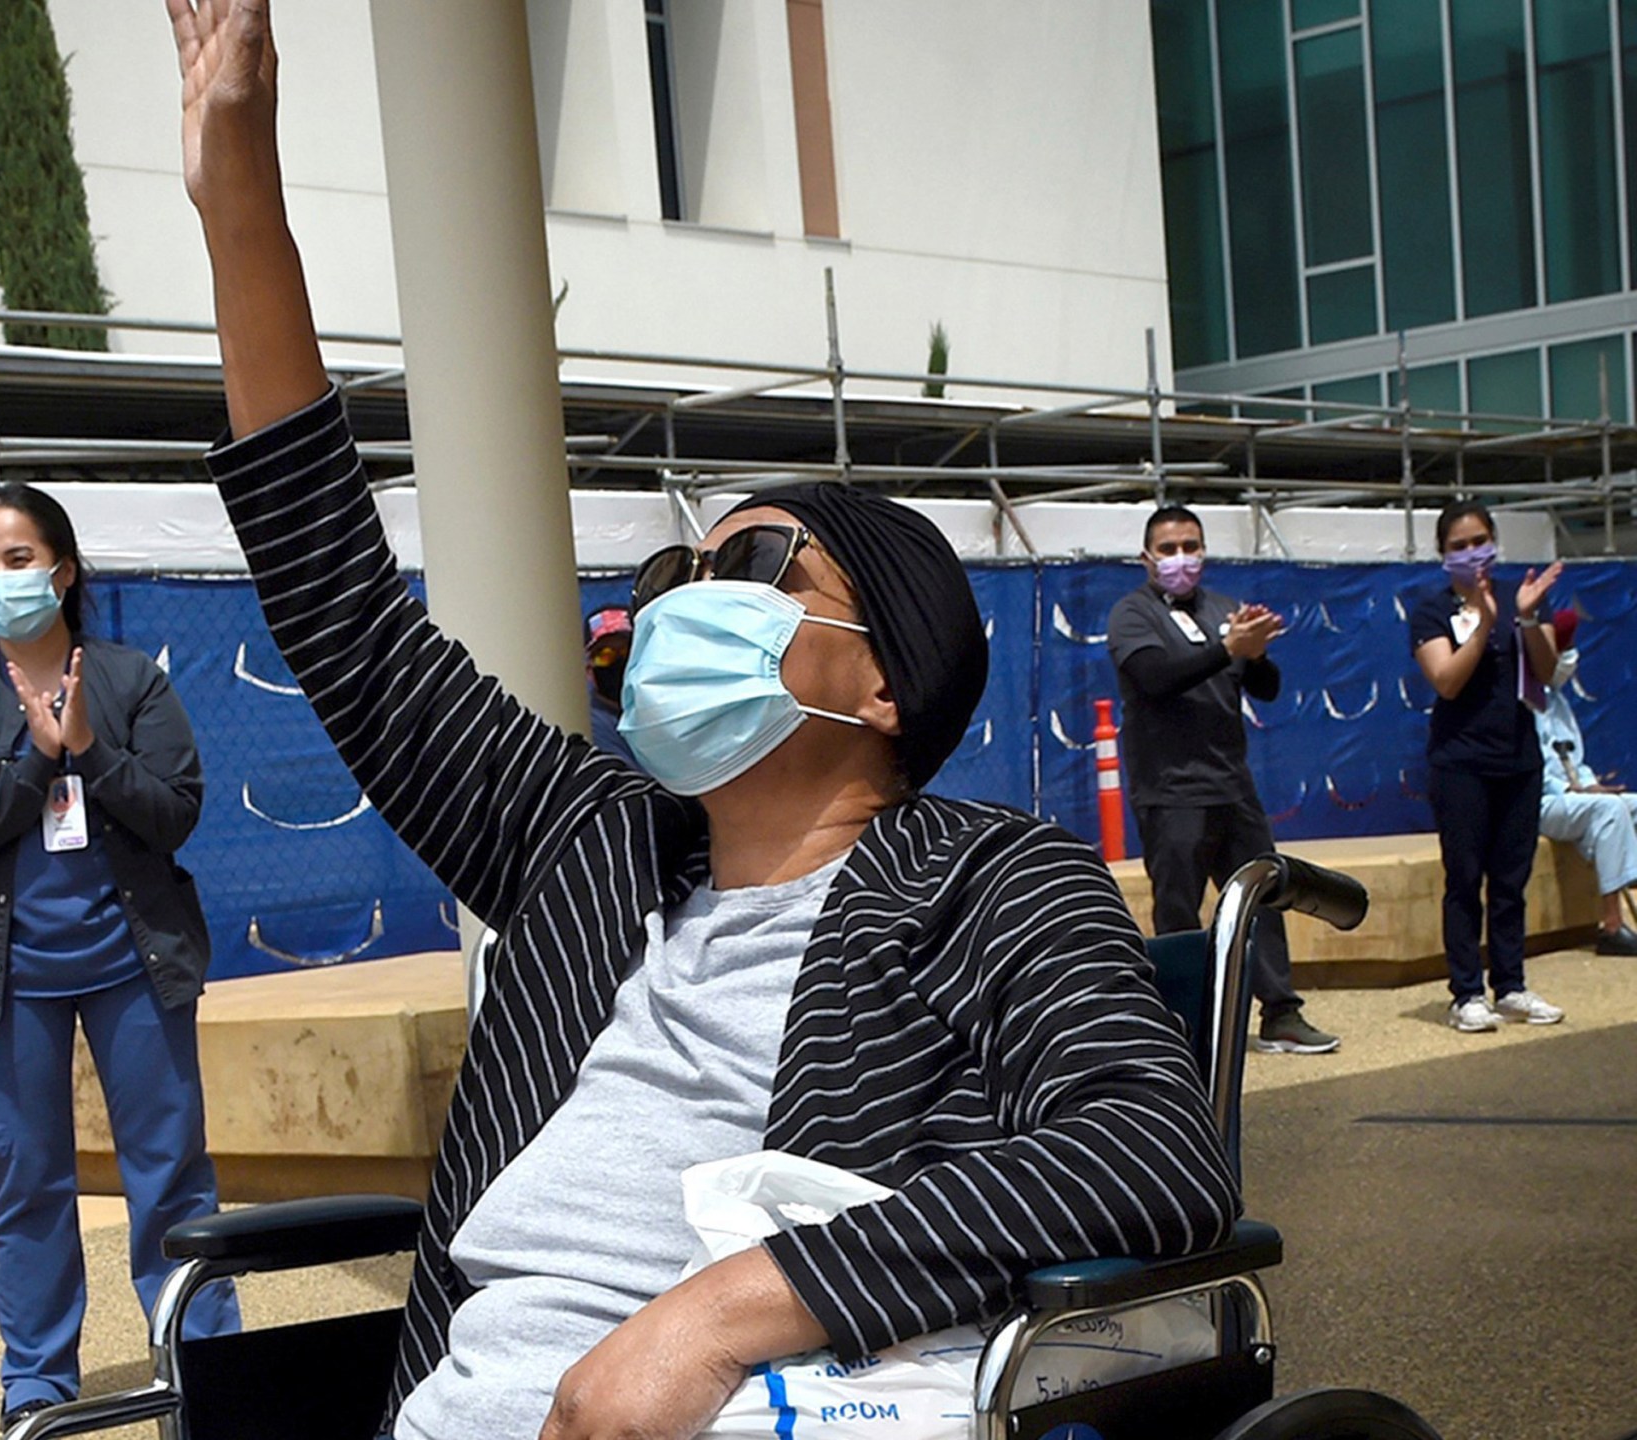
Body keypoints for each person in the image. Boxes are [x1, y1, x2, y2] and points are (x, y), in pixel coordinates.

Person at [164, 8, 1235, 1437]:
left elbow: (1151, 1152)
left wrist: (719, 1313)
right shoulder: (592, 848)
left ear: (884, 681)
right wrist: (239, 174)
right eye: (672, 577)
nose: (681, 605)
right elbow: (341, 607)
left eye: (748, 567)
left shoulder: (989, 879)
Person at [0, 482, 241, 1434]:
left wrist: (88, 747)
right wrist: (34, 763)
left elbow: (177, 812)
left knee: (170, 1172)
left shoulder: (132, 680)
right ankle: (38, 1381)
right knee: (28, 1179)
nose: (1, 579)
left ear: (63, 568)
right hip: (4, 981)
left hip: (135, 964)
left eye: (18, 559)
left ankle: (205, 1358)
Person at [1107, 506, 1339, 1054]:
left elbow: (1267, 688)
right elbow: (1155, 678)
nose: (1181, 559)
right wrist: (1226, 650)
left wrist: (1253, 655)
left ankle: (1281, 1011)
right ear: (1146, 559)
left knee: (1264, 896)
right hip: (1171, 790)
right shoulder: (1132, 614)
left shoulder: (1226, 610)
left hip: (1232, 785)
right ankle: (1182, 1025)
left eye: (1191, 546)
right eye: (1168, 549)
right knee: (1179, 911)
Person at [1409, 502, 1566, 1032]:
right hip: (1461, 762)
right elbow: (1447, 680)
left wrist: (1524, 617)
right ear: (1442, 554)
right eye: (1458, 545)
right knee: (1464, 878)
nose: (1472, 553)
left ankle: (1512, 985)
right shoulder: (1432, 611)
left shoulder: (1519, 598)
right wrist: (1481, 625)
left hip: (1520, 759)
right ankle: (1466, 992)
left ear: (1495, 541)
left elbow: (1545, 676)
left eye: (1480, 540)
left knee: (1510, 880)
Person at [1533, 609, 1637, 955]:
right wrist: (1573, 789)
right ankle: (1612, 924)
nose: (1568, 660)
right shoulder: (1520, 701)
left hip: (1575, 796)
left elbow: (1574, 760)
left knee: (1629, 805)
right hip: (1539, 801)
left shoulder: (1557, 701)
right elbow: (1531, 771)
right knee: (1607, 811)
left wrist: (1590, 784)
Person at [583, 605, 637, 764]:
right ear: (589, 669)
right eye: (606, 655)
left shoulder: (655, 704)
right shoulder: (592, 725)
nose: (620, 661)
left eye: (627, 650)